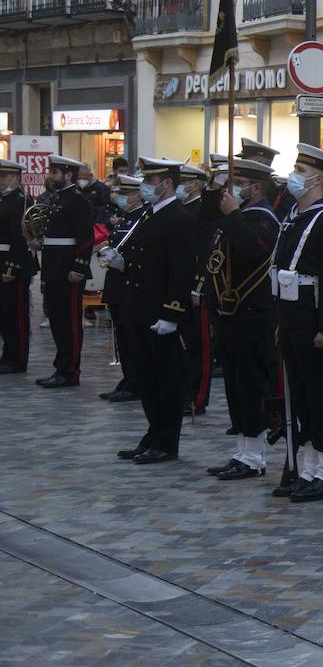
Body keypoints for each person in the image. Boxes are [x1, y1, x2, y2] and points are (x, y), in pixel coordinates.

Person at [272, 145, 323, 502]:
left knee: (322, 397)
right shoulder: (295, 217)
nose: (293, 175)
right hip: (293, 319)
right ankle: (308, 468)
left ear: (318, 179)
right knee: (302, 396)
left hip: (316, 322)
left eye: (300, 170)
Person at [204, 158, 282, 481]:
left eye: (238, 183)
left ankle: (254, 456)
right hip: (230, 314)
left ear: (256, 188)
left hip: (252, 314)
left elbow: (253, 248)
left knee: (251, 387)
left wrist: (234, 214)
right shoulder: (239, 216)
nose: (231, 189)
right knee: (235, 387)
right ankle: (241, 451)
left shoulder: (263, 219)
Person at [115, 158, 195, 464]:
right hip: (140, 308)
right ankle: (153, 434)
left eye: (151, 181)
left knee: (166, 380)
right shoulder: (149, 214)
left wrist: (171, 313)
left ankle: (167, 442)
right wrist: (122, 263)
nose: (146, 186)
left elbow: (181, 271)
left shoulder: (180, 218)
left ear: (167, 184)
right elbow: (143, 260)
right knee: (147, 379)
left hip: (161, 312)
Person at [33, 155, 93, 388]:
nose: (50, 176)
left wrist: (79, 267)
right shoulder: (56, 198)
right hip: (53, 267)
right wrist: (40, 241)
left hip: (68, 269)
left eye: (54, 172)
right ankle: (61, 367)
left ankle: (70, 371)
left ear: (68, 174)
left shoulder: (77, 200)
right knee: (57, 321)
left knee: (69, 323)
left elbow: (86, 237)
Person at [98, 176, 149, 402]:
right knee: (122, 337)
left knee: (132, 338)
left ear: (137, 195)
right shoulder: (126, 218)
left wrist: (123, 262)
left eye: (125, 194)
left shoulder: (143, 218)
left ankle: (136, 382)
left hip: (130, 285)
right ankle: (128, 378)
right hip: (117, 285)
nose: (120, 198)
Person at [179, 165, 213, 418]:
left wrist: (198, 287)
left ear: (195, 184)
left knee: (198, 346)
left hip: (195, 285)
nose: (180, 186)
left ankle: (197, 397)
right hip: (180, 283)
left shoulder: (203, 211)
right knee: (182, 344)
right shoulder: (183, 209)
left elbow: (205, 253)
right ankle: (183, 391)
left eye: (184, 181)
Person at [0, 158, 35, 374]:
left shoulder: (21, 201)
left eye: (4, 176)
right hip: (1, 260)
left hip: (15, 264)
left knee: (16, 315)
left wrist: (10, 268)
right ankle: (7, 355)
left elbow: (20, 238)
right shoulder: (4, 200)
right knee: (4, 314)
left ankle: (17, 359)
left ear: (16, 178)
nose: (1, 180)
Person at [78, 163, 116, 229]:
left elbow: (106, 208)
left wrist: (90, 209)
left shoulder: (101, 188)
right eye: (79, 178)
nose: (81, 181)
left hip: (96, 224)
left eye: (84, 178)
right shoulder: (76, 188)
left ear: (90, 176)